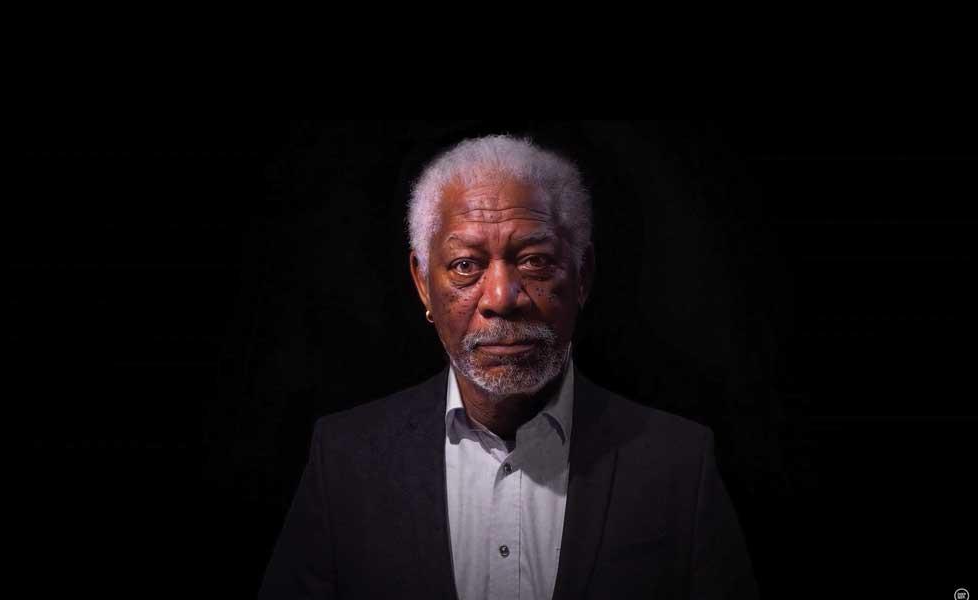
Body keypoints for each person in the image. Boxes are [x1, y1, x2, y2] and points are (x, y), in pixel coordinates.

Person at [259, 135, 758, 600]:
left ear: (582, 276)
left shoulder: (678, 464)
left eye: (535, 261)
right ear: (422, 284)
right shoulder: (344, 461)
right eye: (465, 266)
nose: (501, 298)